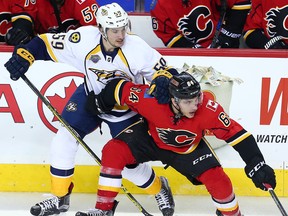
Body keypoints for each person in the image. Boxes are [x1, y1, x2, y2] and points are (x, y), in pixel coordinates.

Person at [4, 3, 176, 216]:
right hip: (89, 97)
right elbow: (44, 42)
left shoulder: (137, 48)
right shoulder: (82, 39)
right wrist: (24, 55)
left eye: (123, 28)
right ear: (101, 29)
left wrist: (162, 80)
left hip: (125, 108)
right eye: (114, 30)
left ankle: (160, 187)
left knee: (130, 165)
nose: (121, 35)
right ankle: (59, 198)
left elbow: (165, 71)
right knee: (63, 140)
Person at [87, 71, 277, 216]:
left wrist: (256, 162)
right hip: (150, 139)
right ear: (174, 100)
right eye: (188, 101)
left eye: (197, 98)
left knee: (220, 182)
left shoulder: (208, 110)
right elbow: (119, 88)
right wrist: (100, 102)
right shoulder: (151, 100)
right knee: (112, 151)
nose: (195, 105)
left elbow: (238, 135)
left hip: (189, 149)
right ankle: (104, 209)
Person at [150, 0, 251, 48]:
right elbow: (170, 37)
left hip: (226, 48)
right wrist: (196, 50)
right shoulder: (159, 6)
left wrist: (226, 38)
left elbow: (241, 3)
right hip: (190, 60)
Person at [34, 0, 99, 34]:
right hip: (51, 50)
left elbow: (97, 32)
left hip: (81, 48)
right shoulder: (36, 3)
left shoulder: (84, 3)